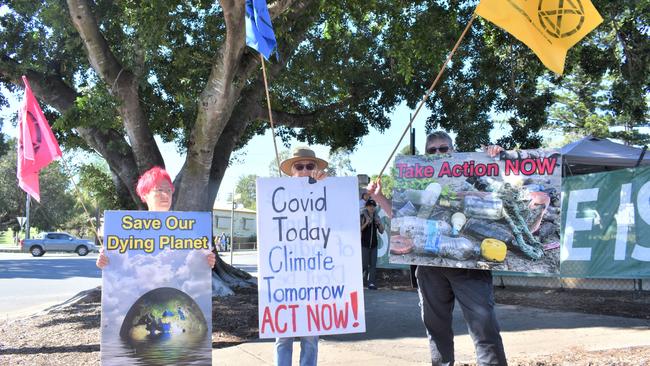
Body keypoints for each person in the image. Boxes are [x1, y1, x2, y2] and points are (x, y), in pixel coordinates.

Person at [367, 131, 507, 366]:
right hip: (429, 265)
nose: (439, 153)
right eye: (432, 150)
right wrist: (379, 197)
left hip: (468, 264)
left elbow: (497, 193)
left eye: (444, 148)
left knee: (484, 328)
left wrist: (496, 158)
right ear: (426, 155)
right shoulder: (416, 184)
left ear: (453, 151)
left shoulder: (471, 174)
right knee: (436, 329)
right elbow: (401, 219)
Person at [96, 166, 216, 269]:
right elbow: (118, 269)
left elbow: (192, 268)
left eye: (169, 190)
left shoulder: (188, 230)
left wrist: (205, 262)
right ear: (145, 194)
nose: (165, 194)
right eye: (159, 190)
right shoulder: (127, 230)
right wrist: (105, 261)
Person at [274, 147, 328, 366]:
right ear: (291, 171)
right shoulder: (277, 196)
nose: (305, 170)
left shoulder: (326, 193)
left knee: (310, 337)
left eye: (310, 166)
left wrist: (327, 186)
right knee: (283, 337)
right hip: (285, 276)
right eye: (299, 166)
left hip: (314, 275)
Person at [360, 199, 384, 290]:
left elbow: (381, 231)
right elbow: (359, 229)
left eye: (373, 206)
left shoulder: (376, 217)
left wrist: (379, 223)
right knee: (364, 264)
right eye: (370, 206)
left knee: (373, 265)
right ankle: (359, 281)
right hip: (364, 244)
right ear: (366, 207)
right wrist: (366, 222)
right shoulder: (362, 216)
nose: (372, 208)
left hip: (374, 245)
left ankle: (371, 283)